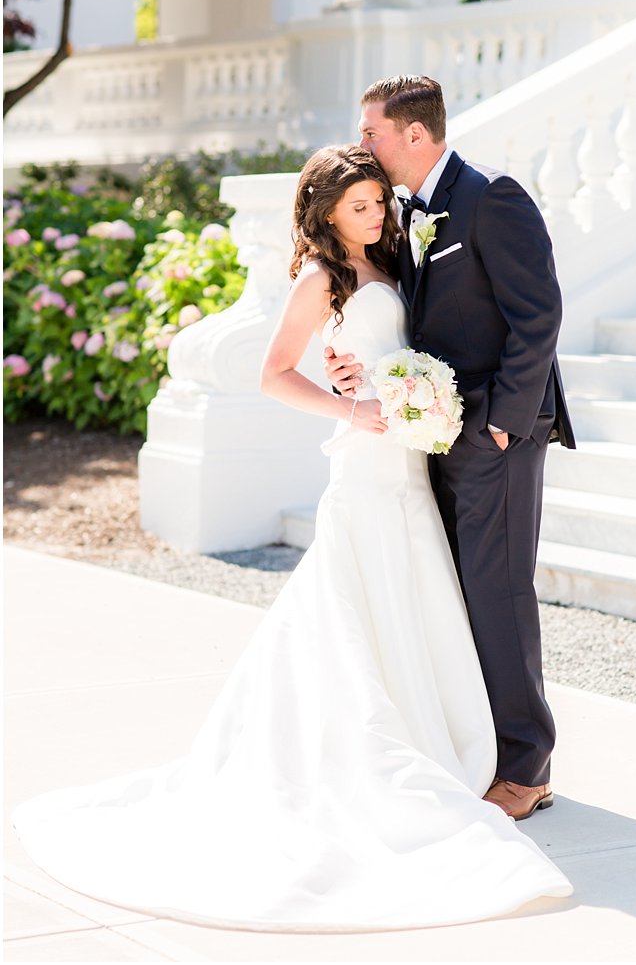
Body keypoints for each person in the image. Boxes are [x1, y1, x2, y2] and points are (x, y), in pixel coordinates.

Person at [12, 145, 572, 930]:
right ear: (325, 213)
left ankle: (440, 738)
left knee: (415, 594)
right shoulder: (321, 279)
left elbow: (410, 349)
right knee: (355, 601)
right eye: (359, 208)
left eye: (379, 202)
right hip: (366, 460)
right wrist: (354, 408)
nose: (377, 216)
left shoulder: (392, 265)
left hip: (409, 458)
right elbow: (273, 373)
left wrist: (410, 395)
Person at [326, 75, 573, 822]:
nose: (362, 143)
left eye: (370, 131)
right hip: (432, 431)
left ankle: (527, 767)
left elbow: (541, 313)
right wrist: (355, 366)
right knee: (465, 598)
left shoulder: (491, 196)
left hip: (498, 432)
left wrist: (502, 419)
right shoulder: (405, 213)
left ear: (412, 133)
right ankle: (490, 752)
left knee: (499, 595)